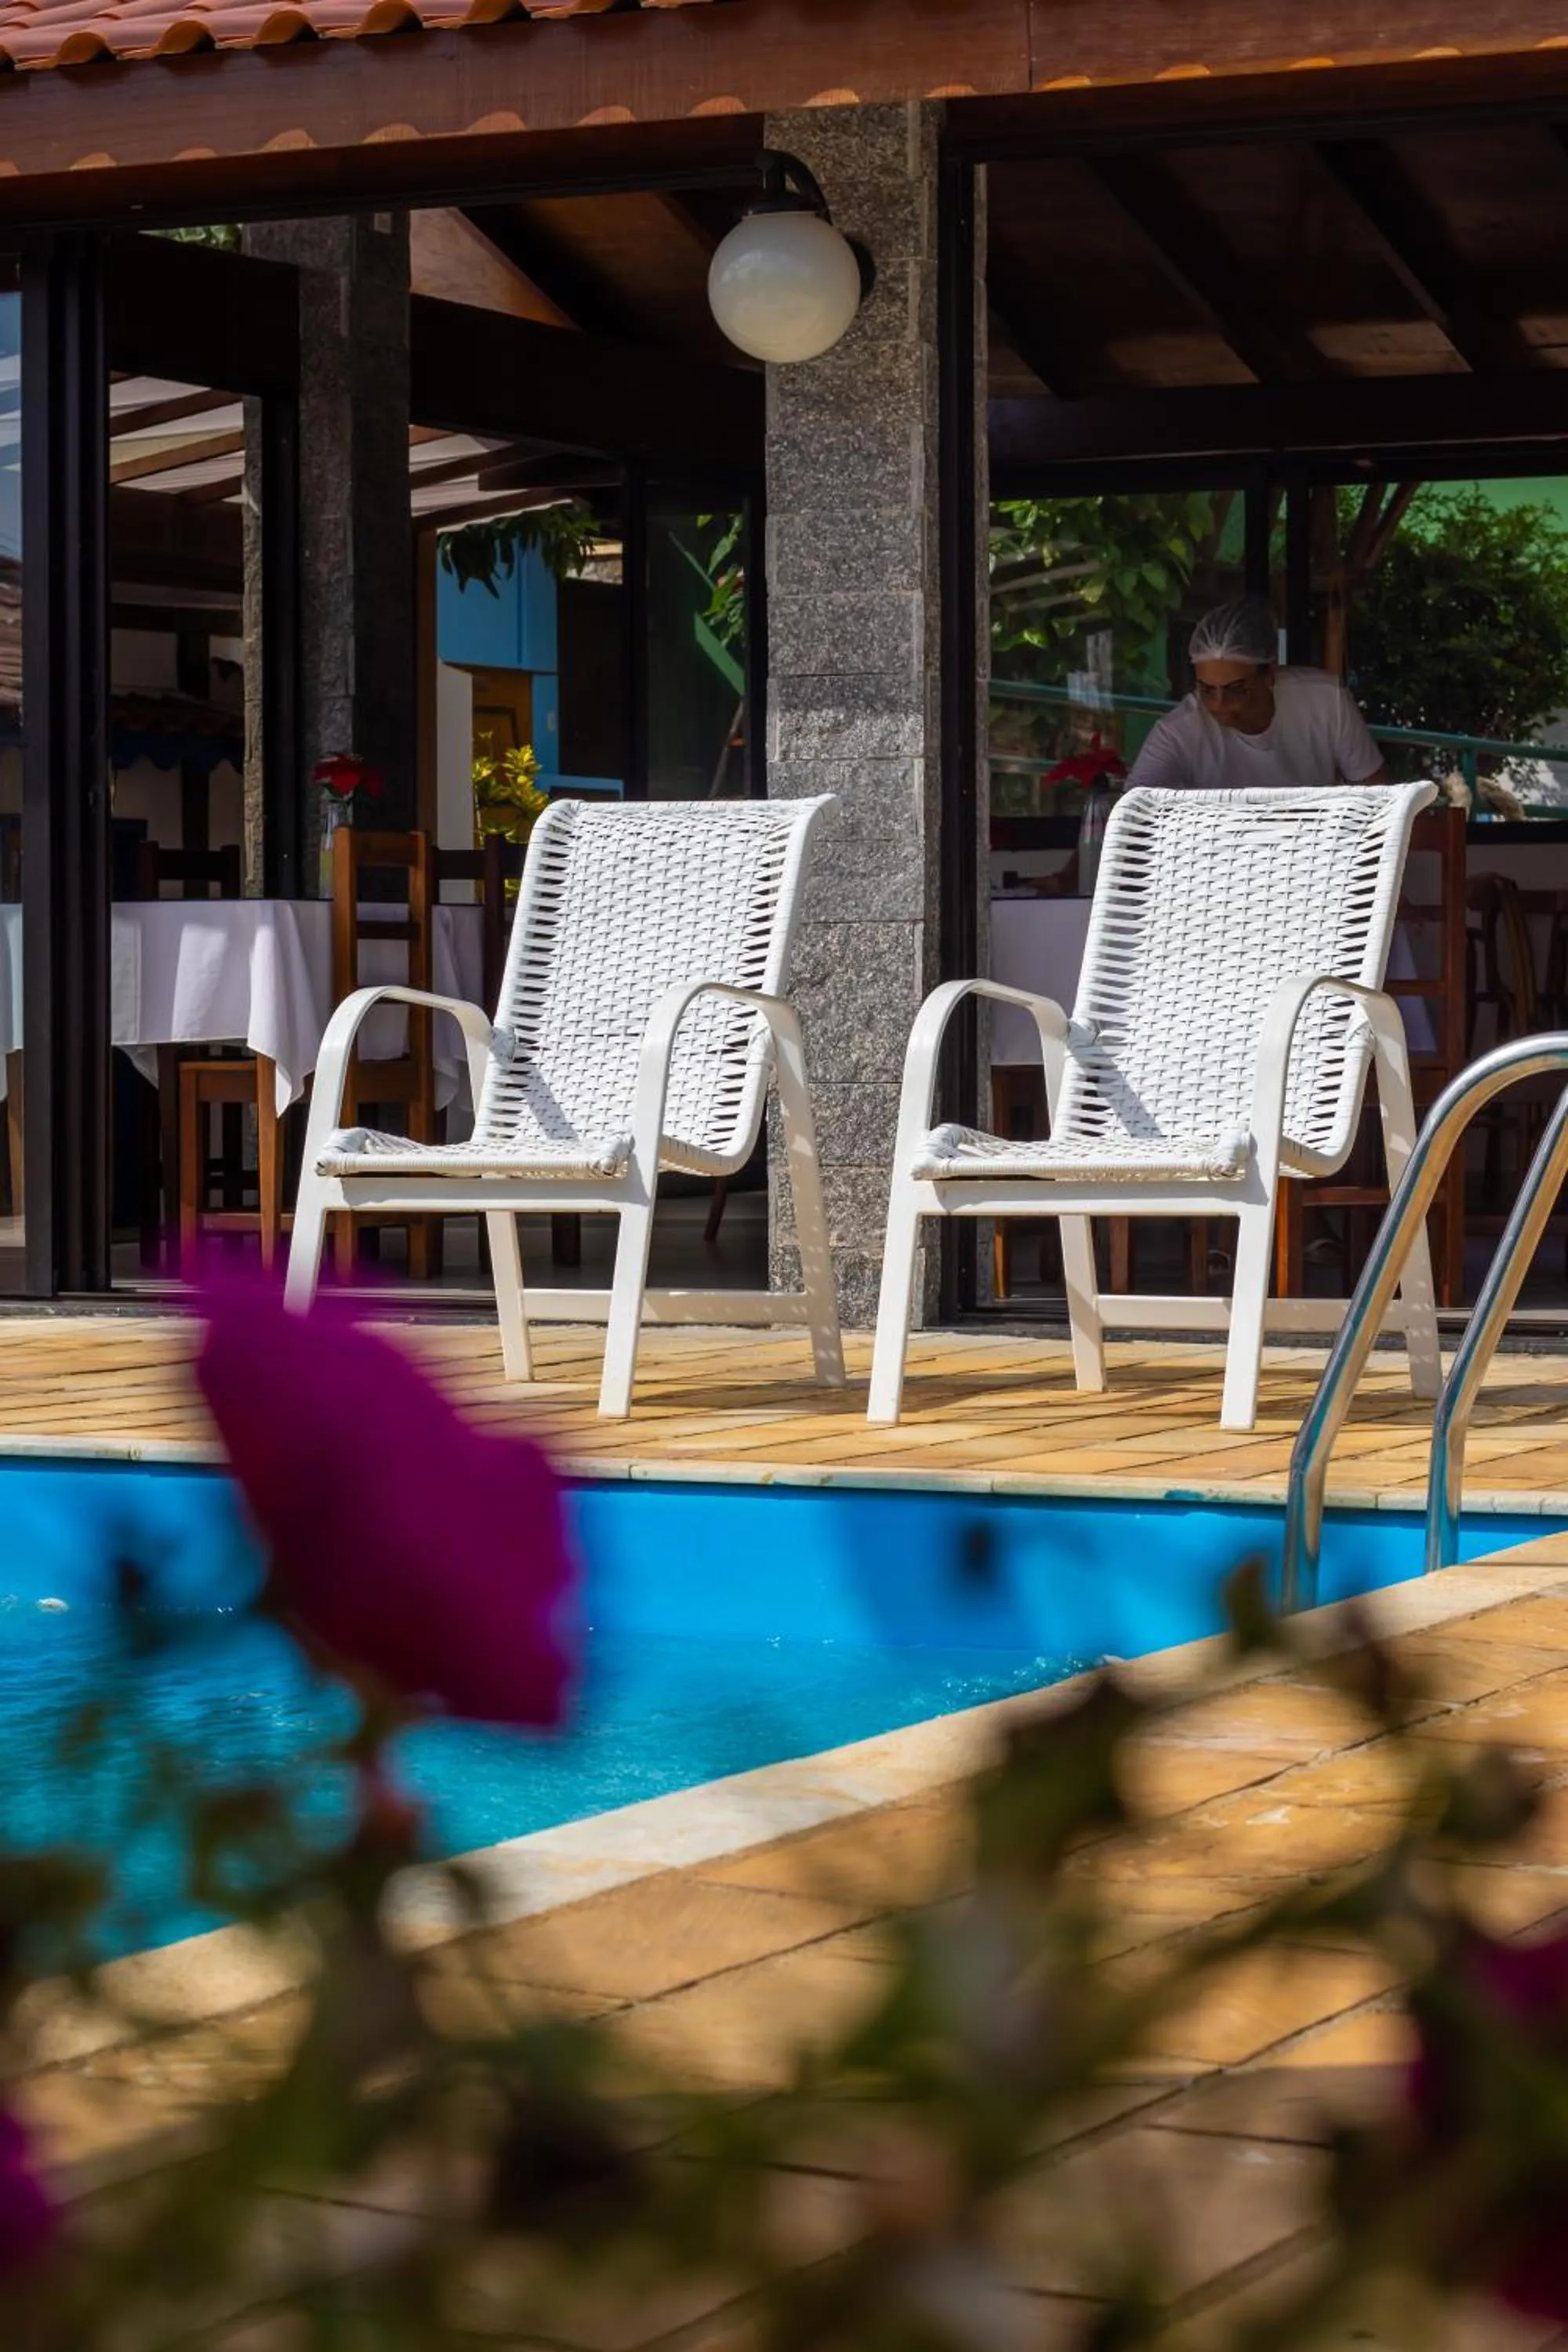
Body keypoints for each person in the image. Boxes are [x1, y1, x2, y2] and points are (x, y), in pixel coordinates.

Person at [1126, 594, 1390, 793]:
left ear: (1270, 672)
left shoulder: (1325, 701)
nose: (1220, 705)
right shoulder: (1177, 732)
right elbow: (1134, 814)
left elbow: (1377, 798)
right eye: (1206, 690)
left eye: (1235, 689)